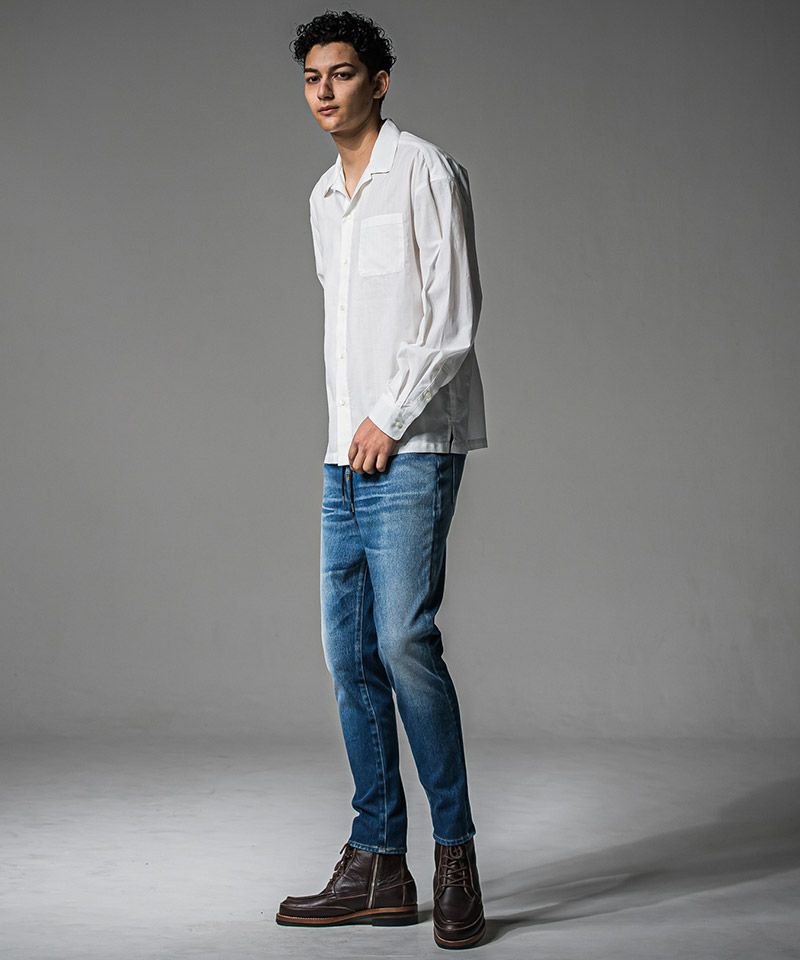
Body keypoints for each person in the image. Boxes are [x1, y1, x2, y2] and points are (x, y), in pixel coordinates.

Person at [276, 10, 488, 950]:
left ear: (380, 80)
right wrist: (347, 435)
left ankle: (455, 855)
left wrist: (388, 419)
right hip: (343, 452)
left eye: (342, 73)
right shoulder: (325, 196)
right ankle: (378, 864)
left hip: (413, 443)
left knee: (404, 641)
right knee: (348, 656)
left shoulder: (425, 171)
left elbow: (453, 320)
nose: (325, 91)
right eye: (312, 77)